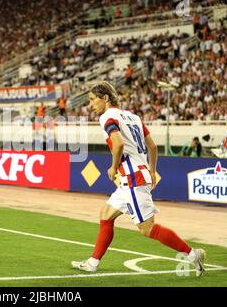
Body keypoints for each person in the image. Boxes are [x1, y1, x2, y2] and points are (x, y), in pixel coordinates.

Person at [71, 81, 206, 276]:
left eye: (93, 100)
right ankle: (92, 262)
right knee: (106, 214)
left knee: (147, 228)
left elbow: (117, 144)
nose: (91, 105)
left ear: (105, 98)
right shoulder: (133, 117)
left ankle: (193, 254)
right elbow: (152, 146)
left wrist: (113, 166)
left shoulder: (107, 117)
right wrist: (151, 170)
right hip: (135, 176)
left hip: (132, 178)